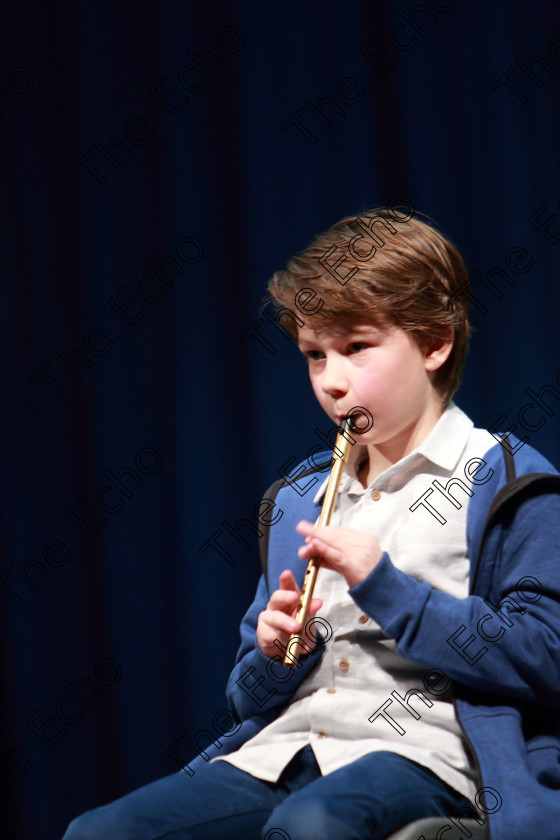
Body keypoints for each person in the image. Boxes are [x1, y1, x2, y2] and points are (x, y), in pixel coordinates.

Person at [63, 207, 560, 840]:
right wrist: (276, 655)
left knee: (314, 824)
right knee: (100, 832)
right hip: (288, 748)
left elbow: (546, 656)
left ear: (435, 343)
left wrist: (386, 586)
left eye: (356, 348)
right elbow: (249, 694)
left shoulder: (507, 479)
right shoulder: (300, 496)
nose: (331, 380)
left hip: (429, 753)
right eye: (315, 355)